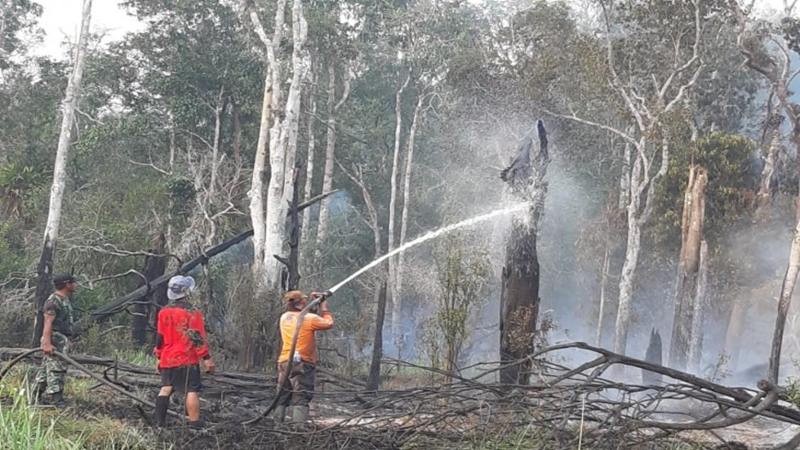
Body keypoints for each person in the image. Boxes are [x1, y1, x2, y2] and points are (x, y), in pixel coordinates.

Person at [153, 275, 215, 428]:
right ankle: (194, 423)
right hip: (187, 359)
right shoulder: (192, 313)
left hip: (168, 358)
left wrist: (159, 356)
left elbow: (159, 337)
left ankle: (158, 423)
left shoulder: (163, 312)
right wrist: (206, 358)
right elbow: (197, 337)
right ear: (186, 292)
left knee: (166, 387)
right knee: (192, 390)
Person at [275, 290, 334, 423]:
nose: (306, 301)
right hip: (302, 363)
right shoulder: (310, 319)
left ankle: (277, 427)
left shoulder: (284, 317)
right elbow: (328, 323)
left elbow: (304, 319)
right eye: (304, 300)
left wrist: (315, 305)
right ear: (300, 303)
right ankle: (298, 430)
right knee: (301, 396)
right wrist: (324, 308)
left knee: (282, 395)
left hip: (284, 362)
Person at [34, 273, 78, 406]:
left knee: (46, 368)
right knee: (57, 368)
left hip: (61, 339)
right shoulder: (53, 301)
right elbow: (48, 322)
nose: (76, 285)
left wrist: (68, 340)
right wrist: (46, 342)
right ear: (67, 284)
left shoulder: (65, 299)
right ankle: (56, 400)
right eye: (73, 282)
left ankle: (34, 396)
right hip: (54, 339)